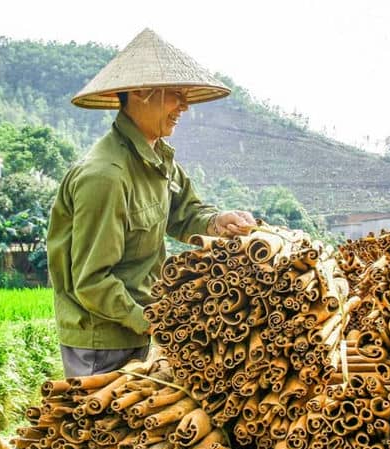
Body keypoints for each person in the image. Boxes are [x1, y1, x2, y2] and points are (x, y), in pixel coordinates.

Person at [47, 29, 256, 378]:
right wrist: (152, 322)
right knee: (104, 429)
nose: (185, 106)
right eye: (176, 95)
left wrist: (217, 222)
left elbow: (185, 212)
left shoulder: (158, 158)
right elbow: (92, 280)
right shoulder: (106, 176)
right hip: (102, 341)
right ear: (143, 93)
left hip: (137, 324)